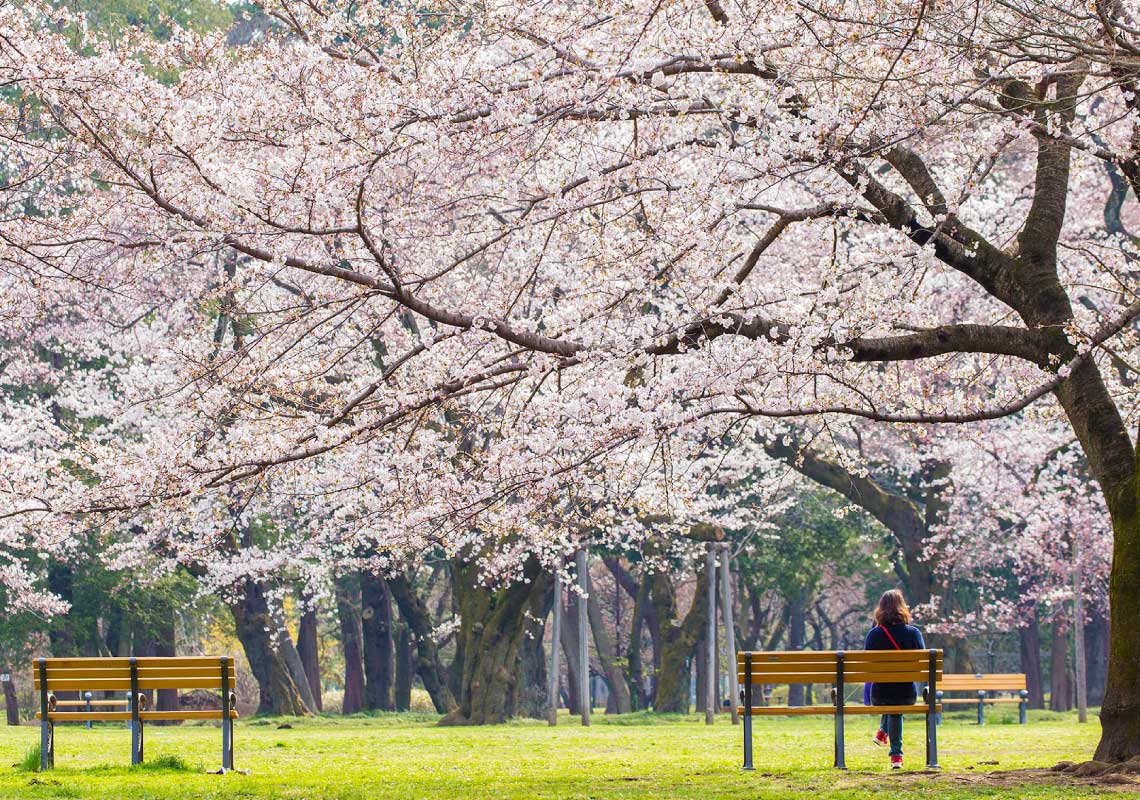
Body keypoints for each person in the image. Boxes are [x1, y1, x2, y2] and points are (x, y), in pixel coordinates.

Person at [864, 589, 925, 769]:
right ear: (903, 608)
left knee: (890, 699)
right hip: (906, 693)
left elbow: (867, 664)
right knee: (896, 706)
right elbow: (921, 663)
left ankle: (884, 731)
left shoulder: (874, 634)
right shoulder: (913, 633)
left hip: (880, 694)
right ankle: (896, 755)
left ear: (880, 609)